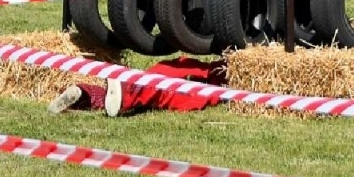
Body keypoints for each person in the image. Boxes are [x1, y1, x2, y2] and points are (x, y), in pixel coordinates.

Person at [49, 57, 229, 117]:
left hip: (205, 77)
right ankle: (125, 93)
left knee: (163, 79)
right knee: (163, 89)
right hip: (210, 79)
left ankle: (85, 93)